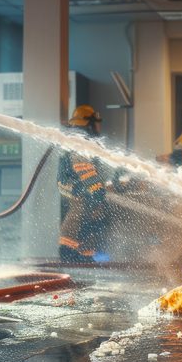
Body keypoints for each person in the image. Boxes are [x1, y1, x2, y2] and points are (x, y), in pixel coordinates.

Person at [58, 105, 110, 262]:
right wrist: (96, 187)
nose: (99, 126)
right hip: (75, 188)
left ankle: (86, 252)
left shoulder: (81, 138)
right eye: (97, 122)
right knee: (80, 208)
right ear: (88, 122)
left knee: (95, 212)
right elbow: (82, 166)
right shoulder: (80, 140)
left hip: (79, 186)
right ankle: (67, 250)